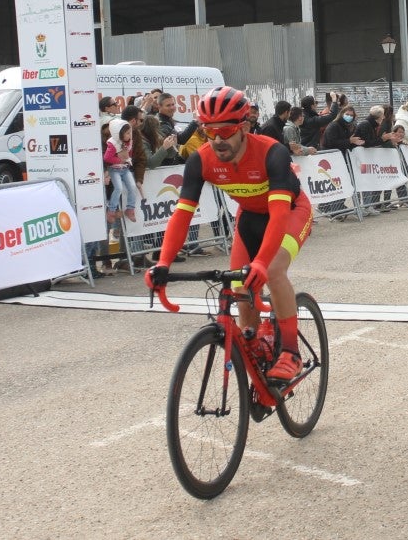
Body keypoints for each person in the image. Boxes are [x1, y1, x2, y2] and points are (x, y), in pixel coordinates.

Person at [145, 87, 314, 383]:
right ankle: (254, 340)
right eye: (209, 132)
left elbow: (278, 215)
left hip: (290, 212)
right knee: (238, 284)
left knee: (272, 270)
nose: (218, 140)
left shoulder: (271, 151)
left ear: (244, 127)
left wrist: (261, 262)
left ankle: (291, 352)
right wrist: (163, 264)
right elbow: (182, 214)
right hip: (248, 216)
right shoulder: (201, 160)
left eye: (225, 130)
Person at [104, 118, 141, 224]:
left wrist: (128, 159)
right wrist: (120, 160)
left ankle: (130, 208)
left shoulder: (128, 141)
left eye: (130, 132)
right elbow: (107, 158)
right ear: (119, 134)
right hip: (114, 170)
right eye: (127, 133)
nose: (130, 135)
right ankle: (111, 210)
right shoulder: (113, 144)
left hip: (125, 169)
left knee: (133, 187)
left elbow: (129, 152)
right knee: (118, 188)